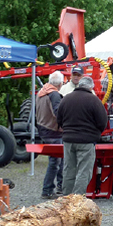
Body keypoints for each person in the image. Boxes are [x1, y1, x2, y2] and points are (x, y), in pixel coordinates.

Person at [57, 76, 108, 195]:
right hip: (87, 140)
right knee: (84, 171)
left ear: (79, 85)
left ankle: (66, 199)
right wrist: (96, 133)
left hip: (68, 140)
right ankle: (77, 199)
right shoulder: (94, 100)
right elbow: (102, 121)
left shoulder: (66, 99)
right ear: (91, 87)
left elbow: (59, 119)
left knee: (69, 170)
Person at [35, 71, 66, 199]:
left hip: (43, 129)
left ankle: (58, 186)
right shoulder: (54, 95)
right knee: (56, 161)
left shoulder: (41, 92)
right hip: (53, 132)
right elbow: (58, 113)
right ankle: (48, 189)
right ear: (60, 83)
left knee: (58, 160)